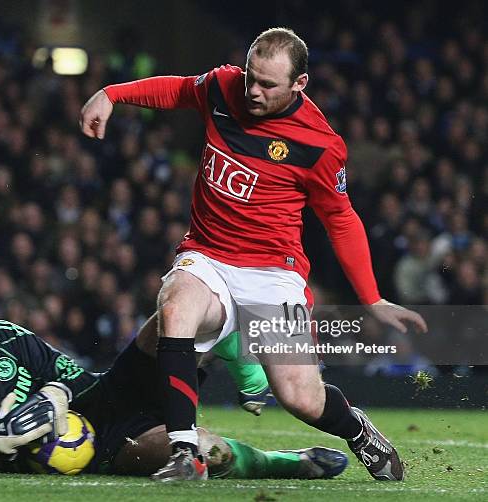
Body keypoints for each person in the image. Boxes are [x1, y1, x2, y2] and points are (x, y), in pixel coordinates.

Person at [80, 27, 428, 481]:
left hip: (272, 274)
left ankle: (357, 430)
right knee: (176, 305)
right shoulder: (225, 87)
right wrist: (112, 94)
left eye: (267, 85)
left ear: (299, 84)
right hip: (208, 256)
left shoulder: (319, 144)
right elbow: (179, 89)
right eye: (251, 78)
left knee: (300, 397)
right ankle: (185, 453)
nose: (254, 91)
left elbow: (341, 219)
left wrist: (371, 298)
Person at [0, 300, 348, 479]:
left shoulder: (0, 339)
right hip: (108, 449)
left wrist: (51, 398)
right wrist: (5, 445)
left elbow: (72, 379)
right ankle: (290, 463)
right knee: (209, 453)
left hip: (105, 397)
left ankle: (231, 343)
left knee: (168, 320)